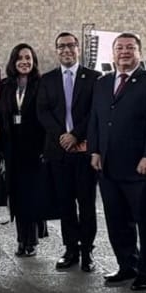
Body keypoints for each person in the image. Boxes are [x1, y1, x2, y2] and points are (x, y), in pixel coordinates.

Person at [88, 33, 146, 291]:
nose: (124, 52)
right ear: (113, 53)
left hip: (140, 166)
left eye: (130, 48)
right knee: (116, 219)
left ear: (139, 52)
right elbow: (95, 119)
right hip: (108, 165)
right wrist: (95, 150)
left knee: (145, 220)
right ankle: (126, 265)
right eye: (120, 48)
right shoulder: (102, 83)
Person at [35, 33, 101, 272]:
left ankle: (87, 250)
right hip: (58, 151)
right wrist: (63, 136)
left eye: (70, 45)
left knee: (86, 203)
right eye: (61, 46)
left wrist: (76, 135)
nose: (66, 50)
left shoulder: (94, 78)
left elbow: (95, 111)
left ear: (78, 48)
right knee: (65, 203)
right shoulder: (47, 79)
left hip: (84, 151)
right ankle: (71, 248)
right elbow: (42, 112)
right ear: (56, 51)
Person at [0, 43, 45, 257]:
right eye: (20, 58)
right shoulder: (6, 85)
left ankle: (31, 240)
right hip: (12, 148)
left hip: (34, 149)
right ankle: (20, 239)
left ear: (34, 61)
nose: (24, 62)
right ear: (13, 61)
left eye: (28, 58)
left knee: (32, 195)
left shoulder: (41, 84)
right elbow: (0, 117)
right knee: (16, 195)